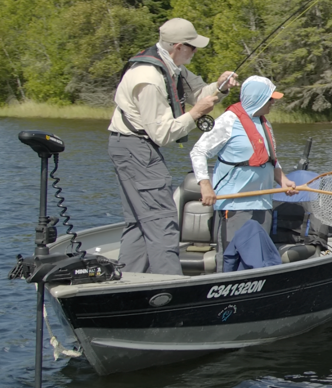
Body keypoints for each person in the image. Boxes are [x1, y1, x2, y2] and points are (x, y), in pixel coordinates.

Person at [108, 18, 237, 275]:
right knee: (162, 220)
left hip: (130, 147)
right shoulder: (149, 79)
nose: (195, 52)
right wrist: (195, 115)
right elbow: (163, 134)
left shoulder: (172, 66)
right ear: (178, 46)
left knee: (139, 221)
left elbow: (200, 92)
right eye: (193, 47)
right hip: (136, 148)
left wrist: (220, 87)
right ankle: (170, 283)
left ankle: (128, 278)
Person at [191, 75, 297, 245]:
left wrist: (283, 180)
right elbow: (198, 152)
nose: (273, 102)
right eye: (270, 98)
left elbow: (270, 159)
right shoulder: (228, 121)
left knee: (259, 255)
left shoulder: (264, 123)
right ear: (258, 98)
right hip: (234, 206)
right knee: (232, 256)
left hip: (263, 203)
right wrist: (205, 186)